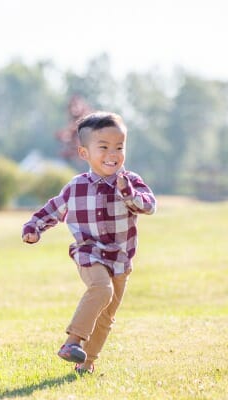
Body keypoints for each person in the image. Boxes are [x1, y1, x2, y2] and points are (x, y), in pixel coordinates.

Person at [22, 111, 157, 374]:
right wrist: (33, 228)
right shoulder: (76, 187)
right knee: (100, 289)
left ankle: (87, 363)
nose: (113, 154)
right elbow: (53, 210)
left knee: (106, 317)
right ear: (84, 153)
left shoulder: (130, 182)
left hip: (120, 259)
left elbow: (149, 206)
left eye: (119, 147)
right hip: (90, 253)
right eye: (104, 147)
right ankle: (72, 341)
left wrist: (127, 191)